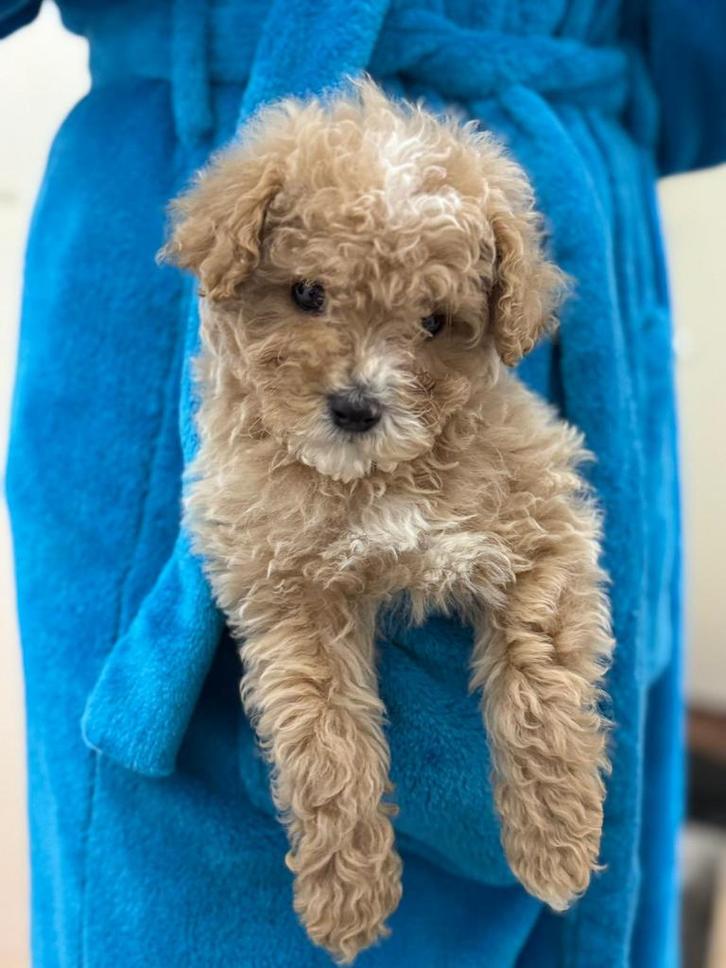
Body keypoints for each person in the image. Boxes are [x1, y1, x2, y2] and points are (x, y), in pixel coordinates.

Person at [3, 1, 724, 965]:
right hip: (196, 208)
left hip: (568, 231)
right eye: (310, 297)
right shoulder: (243, 217)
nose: (360, 384)